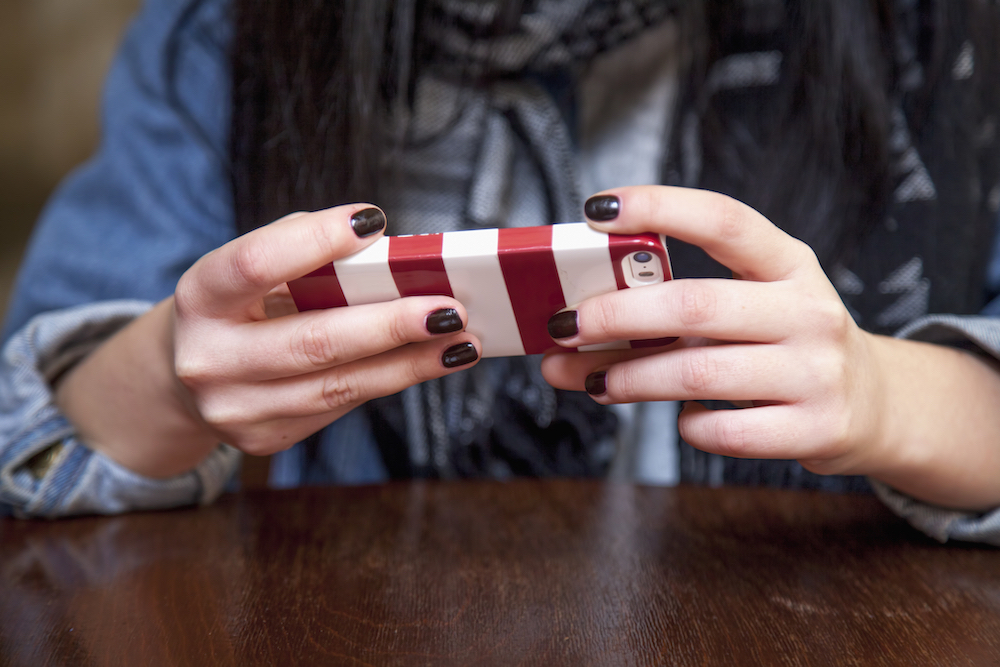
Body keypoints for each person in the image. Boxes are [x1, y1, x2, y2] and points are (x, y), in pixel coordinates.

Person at [3, 0, 1000, 544]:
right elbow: (31, 453)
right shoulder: (221, 35)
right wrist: (173, 378)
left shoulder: (947, 35)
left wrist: (882, 396)